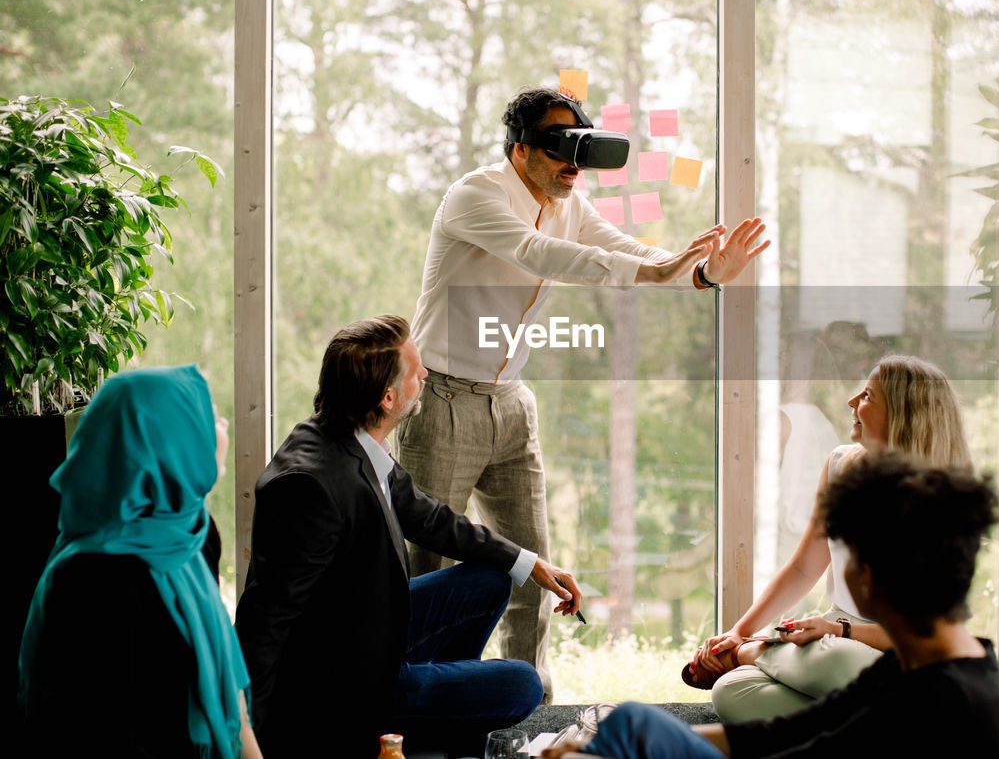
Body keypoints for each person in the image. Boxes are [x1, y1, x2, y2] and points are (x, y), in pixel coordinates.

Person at [397, 85, 769, 697]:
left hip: (513, 402)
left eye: (581, 148)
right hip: (441, 401)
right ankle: (410, 709)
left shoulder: (570, 202)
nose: (573, 164)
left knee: (532, 570)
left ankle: (531, 709)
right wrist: (657, 267)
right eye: (558, 147)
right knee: (424, 568)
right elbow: (542, 252)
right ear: (520, 148)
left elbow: (626, 250)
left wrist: (699, 272)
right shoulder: (476, 194)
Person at [235, 315, 583, 758]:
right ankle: (414, 719)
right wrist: (252, 743)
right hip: (347, 687)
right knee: (521, 684)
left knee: (494, 577)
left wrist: (529, 563)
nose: (425, 375)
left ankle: (437, 717)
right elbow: (264, 623)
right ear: (388, 397)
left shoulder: (353, 437)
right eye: (416, 369)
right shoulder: (309, 487)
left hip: (370, 626)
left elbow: (428, 517)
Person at [543, 450, 999, 759]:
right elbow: (780, 735)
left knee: (628, 729)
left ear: (869, 577)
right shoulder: (937, 663)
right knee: (631, 724)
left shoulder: (934, 701)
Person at [687, 354, 971, 722]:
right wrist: (739, 629)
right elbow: (805, 567)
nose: (852, 402)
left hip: (895, 650)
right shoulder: (840, 465)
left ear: (903, 414)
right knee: (732, 690)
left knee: (836, 662)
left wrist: (747, 644)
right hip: (831, 636)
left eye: (868, 396)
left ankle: (752, 653)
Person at [17, 365, 262, 759]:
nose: (222, 423)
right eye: (207, 413)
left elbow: (234, 704)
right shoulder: (89, 580)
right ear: (165, 444)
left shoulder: (192, 534)